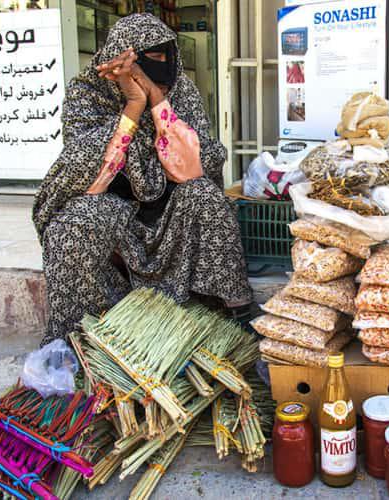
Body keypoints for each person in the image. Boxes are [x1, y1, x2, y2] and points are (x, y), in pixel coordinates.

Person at [33, 14, 252, 345]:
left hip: (169, 211)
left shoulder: (180, 90)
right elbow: (88, 169)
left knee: (206, 197)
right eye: (150, 65)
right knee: (76, 223)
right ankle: (90, 332)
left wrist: (157, 100)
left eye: (167, 63)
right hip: (113, 208)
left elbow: (202, 161)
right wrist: (134, 107)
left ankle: (231, 315)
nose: (163, 75)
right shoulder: (88, 94)